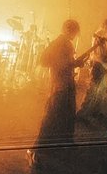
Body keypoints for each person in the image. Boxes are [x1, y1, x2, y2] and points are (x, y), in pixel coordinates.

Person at [33, 20, 90, 159]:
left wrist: (74, 63)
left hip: (66, 83)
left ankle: (64, 143)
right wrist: (71, 64)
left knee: (68, 114)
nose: (74, 35)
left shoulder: (65, 43)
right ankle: (37, 149)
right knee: (52, 115)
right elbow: (44, 60)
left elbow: (65, 63)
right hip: (59, 85)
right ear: (68, 30)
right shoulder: (58, 43)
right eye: (74, 32)